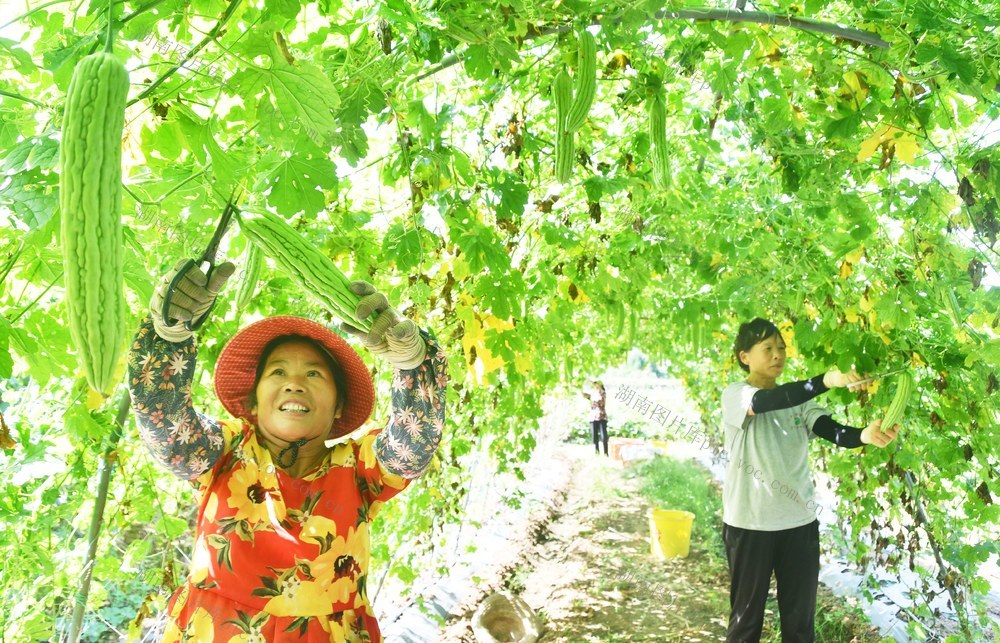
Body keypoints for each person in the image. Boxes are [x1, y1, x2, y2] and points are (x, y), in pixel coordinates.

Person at [127, 258, 447, 642]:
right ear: (254, 402)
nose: (295, 383)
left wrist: (414, 361)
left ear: (339, 406)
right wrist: (169, 334)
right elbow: (165, 426)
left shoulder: (360, 468)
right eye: (278, 372)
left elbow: (412, 445)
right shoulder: (224, 452)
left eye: (314, 374)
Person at [721, 318, 900, 643]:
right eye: (768, 348)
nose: (778, 355)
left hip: (799, 526)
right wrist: (828, 379)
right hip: (750, 525)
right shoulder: (737, 394)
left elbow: (830, 430)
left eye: (781, 348)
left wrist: (864, 435)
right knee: (746, 624)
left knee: (800, 625)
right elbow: (769, 401)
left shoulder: (800, 403)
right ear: (744, 356)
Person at [582, 379, 608, 455]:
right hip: (593, 417)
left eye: (597, 384)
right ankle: (597, 452)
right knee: (594, 436)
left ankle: (606, 452)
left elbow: (600, 400)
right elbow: (584, 394)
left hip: (601, 416)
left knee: (604, 436)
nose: (595, 386)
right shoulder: (592, 394)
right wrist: (582, 384)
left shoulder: (602, 393)